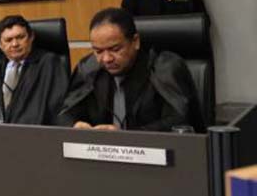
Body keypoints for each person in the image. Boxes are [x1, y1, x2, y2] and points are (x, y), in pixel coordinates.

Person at [58, 7, 203, 131]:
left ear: (135, 41)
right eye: (98, 51)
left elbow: (179, 122)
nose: (106, 58)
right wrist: (75, 125)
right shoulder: (88, 69)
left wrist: (126, 137)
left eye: (115, 49)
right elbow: (64, 114)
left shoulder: (164, 68)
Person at [0, 15, 69, 125]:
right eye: (8, 40)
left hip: (30, 137)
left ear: (31, 37)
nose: (15, 44)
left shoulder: (49, 63)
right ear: (0, 44)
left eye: (20, 37)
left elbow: (59, 108)